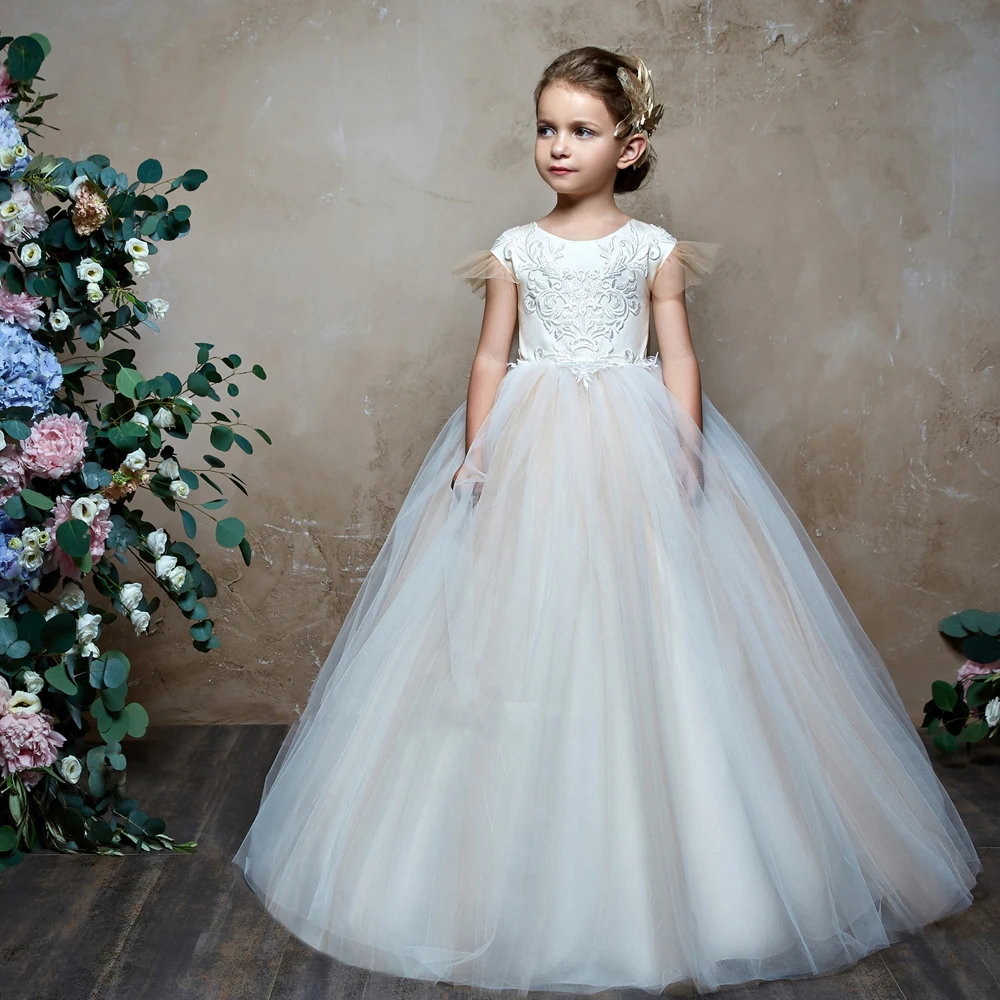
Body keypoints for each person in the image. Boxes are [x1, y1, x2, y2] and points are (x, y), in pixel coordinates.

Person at [232, 45, 981, 996]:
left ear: (628, 148)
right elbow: (491, 361)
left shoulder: (650, 250)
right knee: (513, 631)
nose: (556, 145)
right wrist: (477, 451)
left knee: (659, 632)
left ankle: (693, 874)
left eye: (580, 131)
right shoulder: (515, 248)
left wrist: (685, 441)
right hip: (532, 449)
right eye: (545, 127)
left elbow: (677, 357)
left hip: (632, 452)